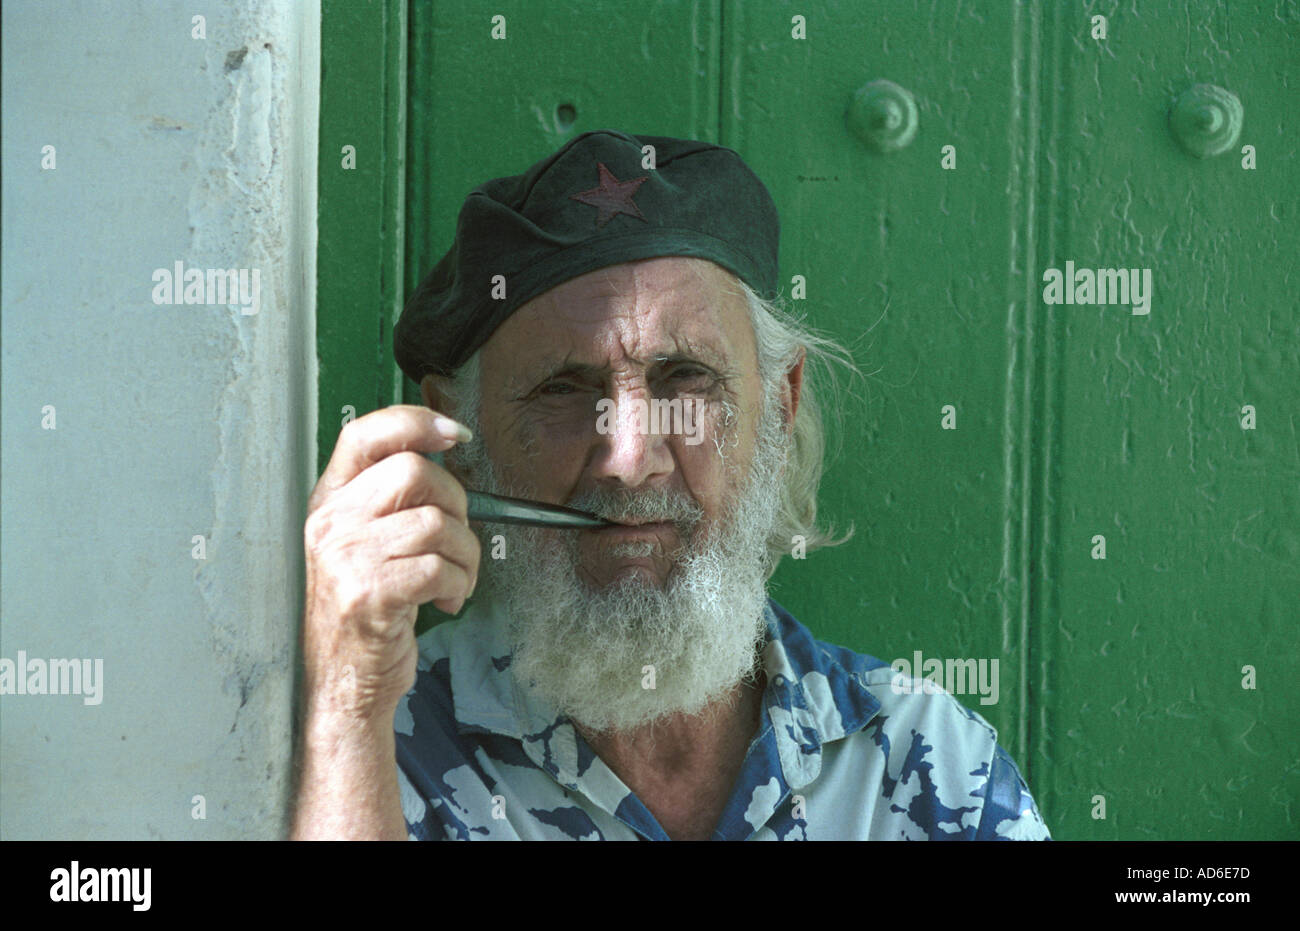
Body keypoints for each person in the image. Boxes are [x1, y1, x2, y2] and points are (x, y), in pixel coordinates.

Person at [290, 129, 1051, 840]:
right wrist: (351, 699)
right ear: (459, 434)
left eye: (686, 379)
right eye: (562, 389)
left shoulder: (925, 764)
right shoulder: (382, 745)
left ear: (779, 409)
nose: (629, 457)